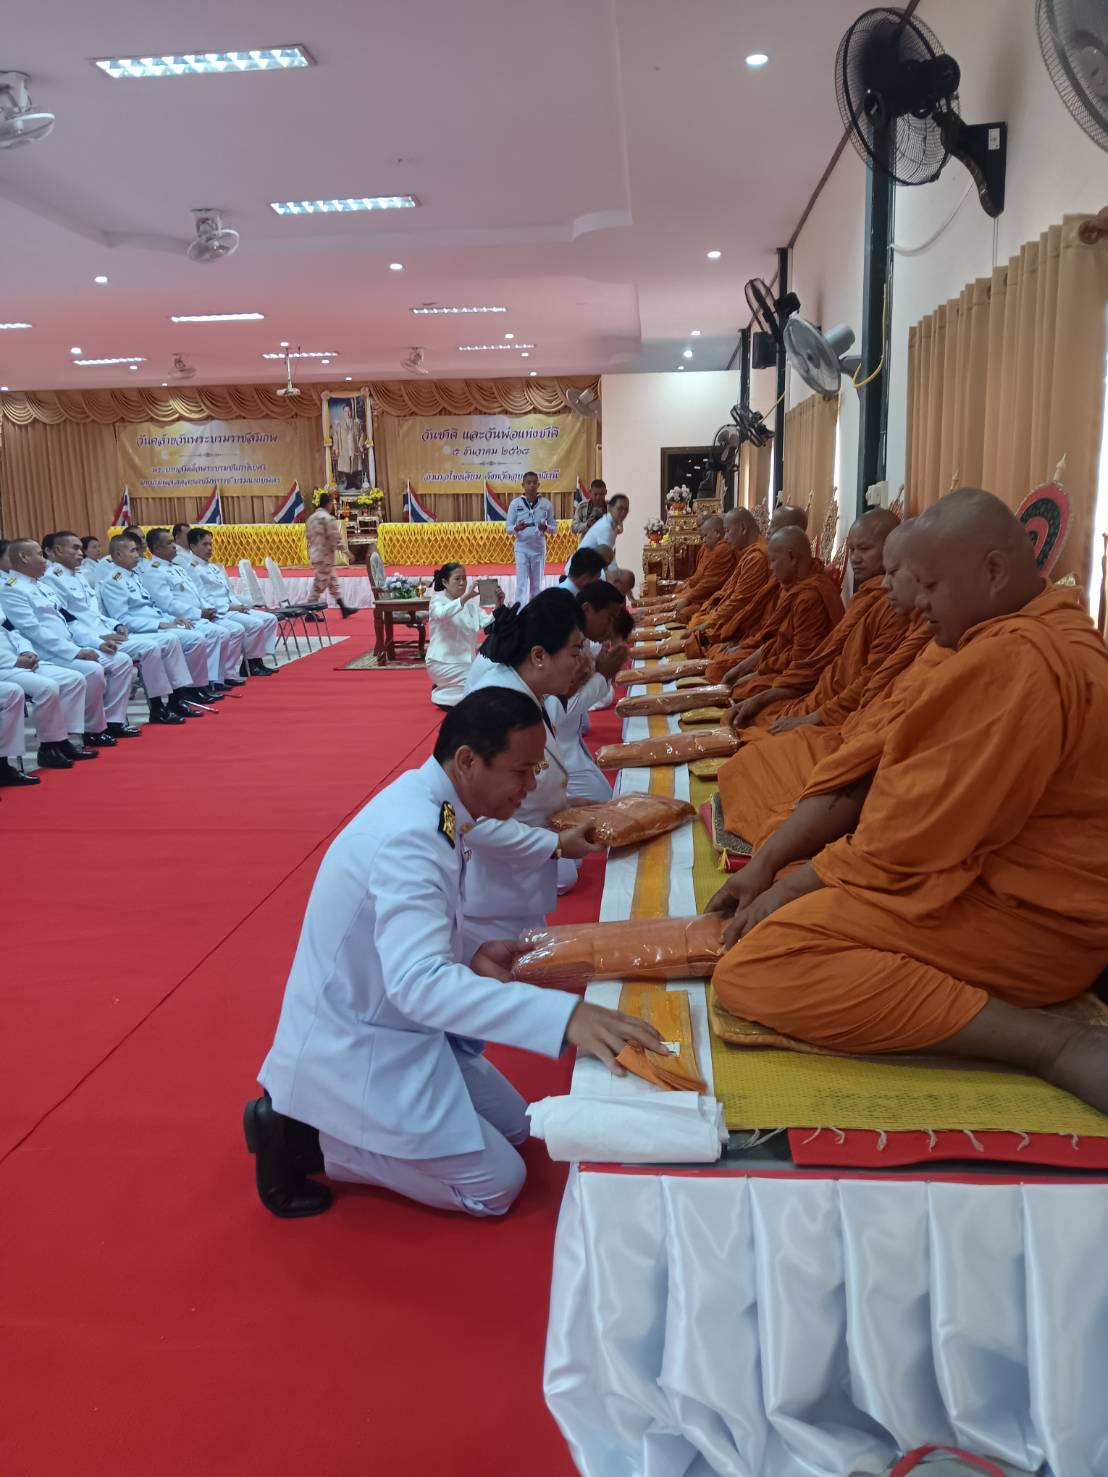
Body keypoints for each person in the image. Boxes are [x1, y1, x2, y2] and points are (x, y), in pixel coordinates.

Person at [709, 488, 1108, 1116]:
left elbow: (908, 839)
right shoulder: (1034, 631)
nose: (917, 603)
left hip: (1033, 925)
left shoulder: (1017, 656)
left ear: (994, 571)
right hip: (990, 885)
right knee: (791, 878)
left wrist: (792, 886)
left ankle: (1048, 1044)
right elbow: (892, 754)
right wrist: (785, 873)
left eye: (928, 585)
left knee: (759, 965)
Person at [247, 687, 663, 1218]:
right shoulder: (412, 835)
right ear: (467, 761)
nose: (530, 787)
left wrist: (470, 952)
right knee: (496, 1188)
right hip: (357, 1040)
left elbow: (407, 930)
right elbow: (418, 983)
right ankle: (308, 1138)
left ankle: (336, 1128)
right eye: (521, 772)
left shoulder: (435, 804)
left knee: (518, 1127)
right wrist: (565, 1018)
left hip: (398, 1020)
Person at [463, 589, 604, 949]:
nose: (581, 663)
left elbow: (531, 784)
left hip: (519, 883)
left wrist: (568, 804)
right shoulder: (499, 709)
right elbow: (470, 822)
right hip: (490, 894)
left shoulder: (532, 695)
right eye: (575, 652)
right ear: (539, 655)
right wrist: (553, 844)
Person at [725, 509, 905, 733]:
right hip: (820, 687)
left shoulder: (894, 606)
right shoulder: (862, 596)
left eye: (865, 549)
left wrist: (809, 717)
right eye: (851, 550)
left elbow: (868, 681)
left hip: (843, 709)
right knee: (745, 708)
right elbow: (817, 656)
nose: (855, 558)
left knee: (750, 719)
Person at [44, 530, 180, 733]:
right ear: (57, 550)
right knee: (145, 649)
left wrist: (115, 626)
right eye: (75, 548)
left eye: (81, 548)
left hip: (102, 631)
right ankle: (144, 710)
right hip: (84, 640)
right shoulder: (53, 579)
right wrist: (97, 639)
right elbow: (68, 621)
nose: (81, 553)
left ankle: (122, 717)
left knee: (147, 649)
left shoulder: (78, 575)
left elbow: (93, 614)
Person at [0, 538, 130, 749]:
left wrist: (97, 643)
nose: (44, 560)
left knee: (120, 659)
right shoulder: (12, 589)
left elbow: (70, 621)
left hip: (66, 647)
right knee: (91, 670)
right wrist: (76, 651)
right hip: (47, 652)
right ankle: (83, 732)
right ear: (23, 557)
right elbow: (33, 630)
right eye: (39, 555)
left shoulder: (41, 586)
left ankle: (110, 722)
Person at [712, 528, 843, 688]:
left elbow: (802, 659)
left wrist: (758, 673)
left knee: (736, 684)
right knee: (722, 666)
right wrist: (742, 667)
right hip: (777, 657)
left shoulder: (809, 596)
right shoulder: (792, 586)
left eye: (773, 560)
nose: (770, 568)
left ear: (792, 557)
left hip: (802, 675)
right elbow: (776, 637)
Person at [97, 535, 209, 721]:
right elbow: (122, 620)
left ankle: (179, 696)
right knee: (174, 640)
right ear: (118, 555)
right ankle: (162, 704)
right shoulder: (113, 581)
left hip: (155, 623)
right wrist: (160, 624)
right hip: (139, 630)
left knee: (192, 636)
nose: (138, 554)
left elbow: (152, 607)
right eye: (132, 551)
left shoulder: (134, 576)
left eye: (137, 550)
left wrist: (173, 619)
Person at [140, 529, 245, 693]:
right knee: (215, 633)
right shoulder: (154, 572)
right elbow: (167, 604)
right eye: (169, 543)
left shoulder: (177, 568)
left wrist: (207, 609)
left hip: (196, 614)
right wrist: (199, 613)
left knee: (223, 632)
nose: (174, 546)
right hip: (180, 618)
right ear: (157, 548)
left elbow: (196, 594)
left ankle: (213, 680)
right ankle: (199, 685)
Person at [181, 529, 279, 676]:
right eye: (204, 544)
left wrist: (238, 605)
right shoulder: (192, 568)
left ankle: (256, 659)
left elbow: (227, 591)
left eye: (210, 544)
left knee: (270, 619)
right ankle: (248, 664)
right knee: (255, 624)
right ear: (193, 546)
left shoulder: (212, 567)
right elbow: (202, 597)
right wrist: (229, 607)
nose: (209, 548)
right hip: (220, 611)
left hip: (231, 606)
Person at [0, 622, 93, 772]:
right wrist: (15, 661)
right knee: (46, 687)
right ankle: (48, 749)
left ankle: (61, 741)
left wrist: (27, 651)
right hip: (4, 665)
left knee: (74, 679)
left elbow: (12, 632)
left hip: (19, 659)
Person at [426, 563, 502, 708]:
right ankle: (442, 695)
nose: (462, 583)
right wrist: (465, 597)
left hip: (466, 662)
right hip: (443, 662)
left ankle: (446, 692)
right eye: (457, 579)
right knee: (481, 690)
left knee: (492, 678)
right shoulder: (437, 601)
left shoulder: (470, 606)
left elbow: (487, 622)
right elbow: (442, 614)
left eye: (464, 579)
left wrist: (498, 605)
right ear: (445, 582)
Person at [506, 470, 556, 604]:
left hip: (538, 549)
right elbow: (508, 529)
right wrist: (516, 528)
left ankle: (535, 612)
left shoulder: (546, 504)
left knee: (537, 585)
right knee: (521, 584)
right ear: (523, 485)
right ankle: (519, 612)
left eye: (534, 483)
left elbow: (554, 528)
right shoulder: (515, 504)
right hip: (521, 549)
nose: (532, 485)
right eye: (528, 483)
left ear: (538, 485)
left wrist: (546, 528)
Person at [305, 493, 355, 617]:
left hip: (315, 553)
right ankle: (309, 611)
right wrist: (347, 553)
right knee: (319, 583)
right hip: (325, 556)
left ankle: (343, 607)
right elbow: (335, 539)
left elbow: (308, 536)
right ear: (328, 504)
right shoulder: (327, 518)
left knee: (332, 581)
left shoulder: (311, 519)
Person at [569, 493, 629, 574]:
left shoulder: (609, 523)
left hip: (589, 569)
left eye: (626, 510)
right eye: (620, 508)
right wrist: (618, 575)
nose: (623, 512)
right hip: (580, 572)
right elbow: (607, 560)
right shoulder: (605, 527)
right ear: (609, 508)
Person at [333, 402, 365, 491]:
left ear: (351, 412)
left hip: (354, 448)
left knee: (355, 465)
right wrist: (336, 448)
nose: (347, 413)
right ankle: (349, 483)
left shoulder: (356, 423)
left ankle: (354, 483)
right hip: (344, 449)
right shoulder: (339, 425)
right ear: (343, 413)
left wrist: (360, 445)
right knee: (346, 466)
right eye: (346, 411)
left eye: (349, 411)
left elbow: (362, 434)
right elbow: (336, 437)